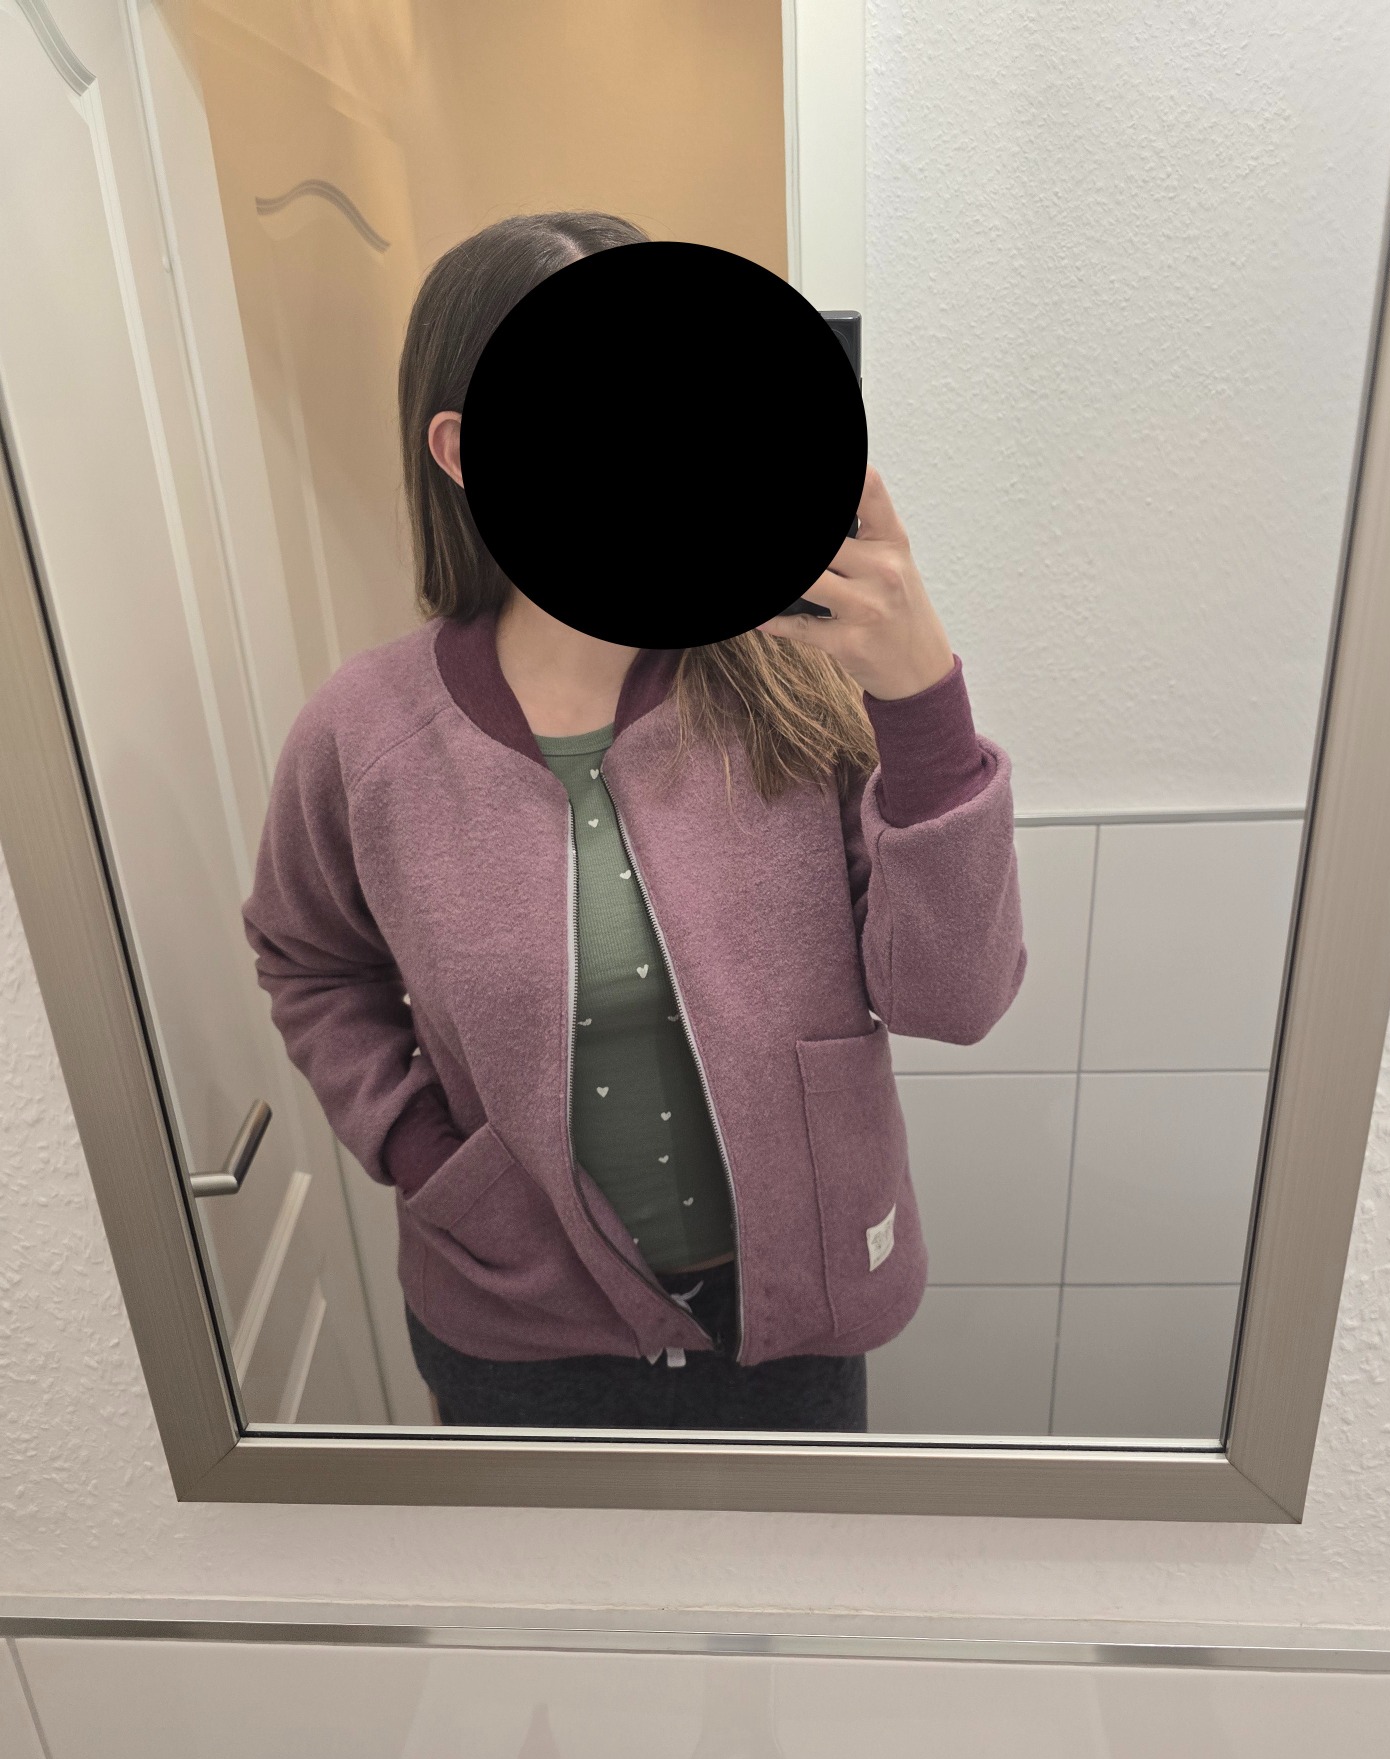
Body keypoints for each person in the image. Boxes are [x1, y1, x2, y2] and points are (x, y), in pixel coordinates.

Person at [242, 210, 1026, 1434]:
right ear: (465, 448)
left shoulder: (797, 684)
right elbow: (308, 960)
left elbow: (955, 997)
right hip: (516, 1324)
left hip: (801, 1311)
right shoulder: (362, 738)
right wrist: (423, 1152)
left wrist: (921, 698)